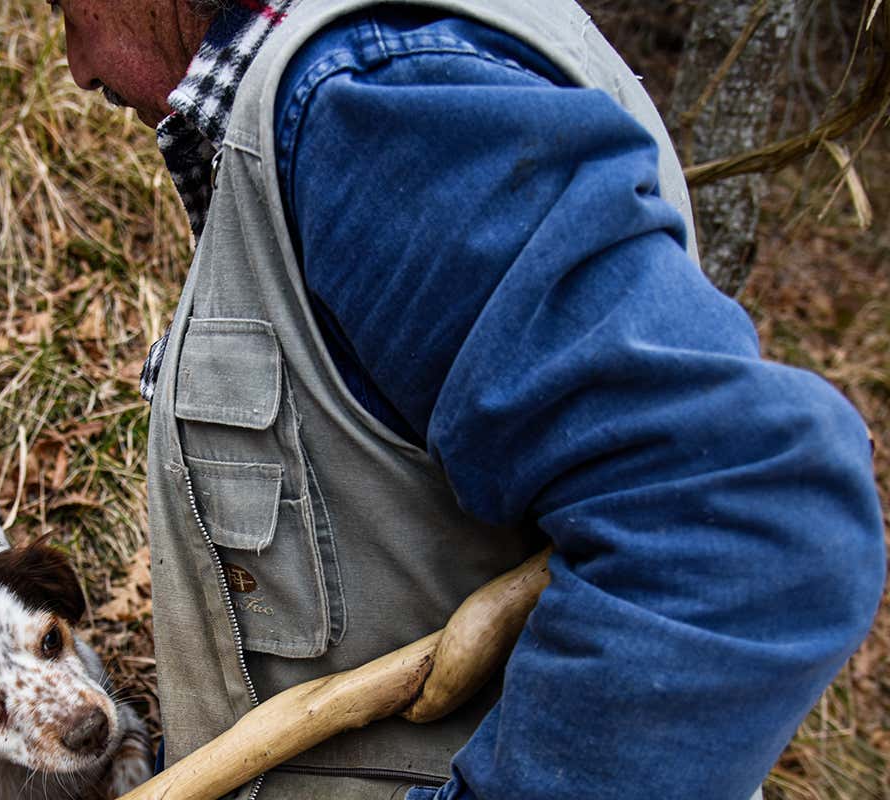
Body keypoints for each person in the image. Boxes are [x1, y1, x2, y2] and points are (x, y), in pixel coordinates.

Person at [54, 0, 886, 798]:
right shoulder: (386, 74)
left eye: (64, 5)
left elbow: (741, 527)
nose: (76, 64)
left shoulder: (376, 106)